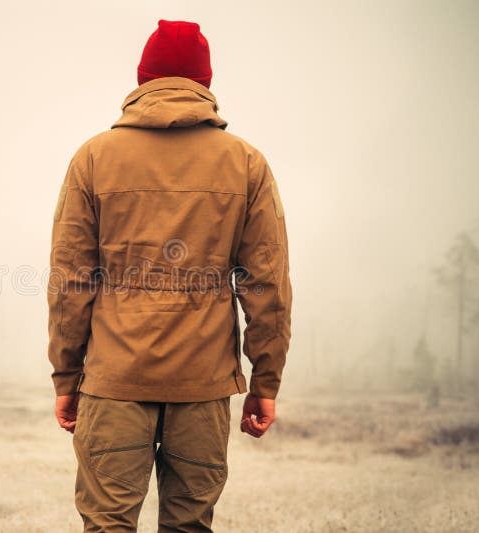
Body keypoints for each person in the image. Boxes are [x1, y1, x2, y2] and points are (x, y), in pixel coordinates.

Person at [47, 19, 292, 532]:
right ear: (205, 83)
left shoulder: (93, 158)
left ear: (142, 80)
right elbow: (265, 285)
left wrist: (66, 376)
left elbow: (71, 282)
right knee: (189, 525)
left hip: (114, 380)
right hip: (202, 385)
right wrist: (265, 381)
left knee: (107, 525)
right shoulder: (246, 163)